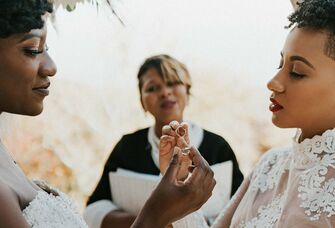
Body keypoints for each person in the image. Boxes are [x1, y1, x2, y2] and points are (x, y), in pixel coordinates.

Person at [0, 1, 216, 227]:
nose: (51, 66)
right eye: (32, 49)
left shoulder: (6, 155)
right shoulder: (127, 147)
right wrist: (155, 214)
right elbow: (95, 208)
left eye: (46, 50)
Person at [159, 0, 335, 227]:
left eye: (297, 72)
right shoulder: (269, 166)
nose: (273, 83)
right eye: (279, 65)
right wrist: (179, 184)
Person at [84, 54, 243, 228]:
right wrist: (150, 218)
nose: (165, 92)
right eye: (152, 88)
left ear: (187, 92)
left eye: (173, 83)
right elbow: (92, 211)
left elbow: (244, 208)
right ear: (142, 102)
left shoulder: (218, 147)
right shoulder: (127, 147)